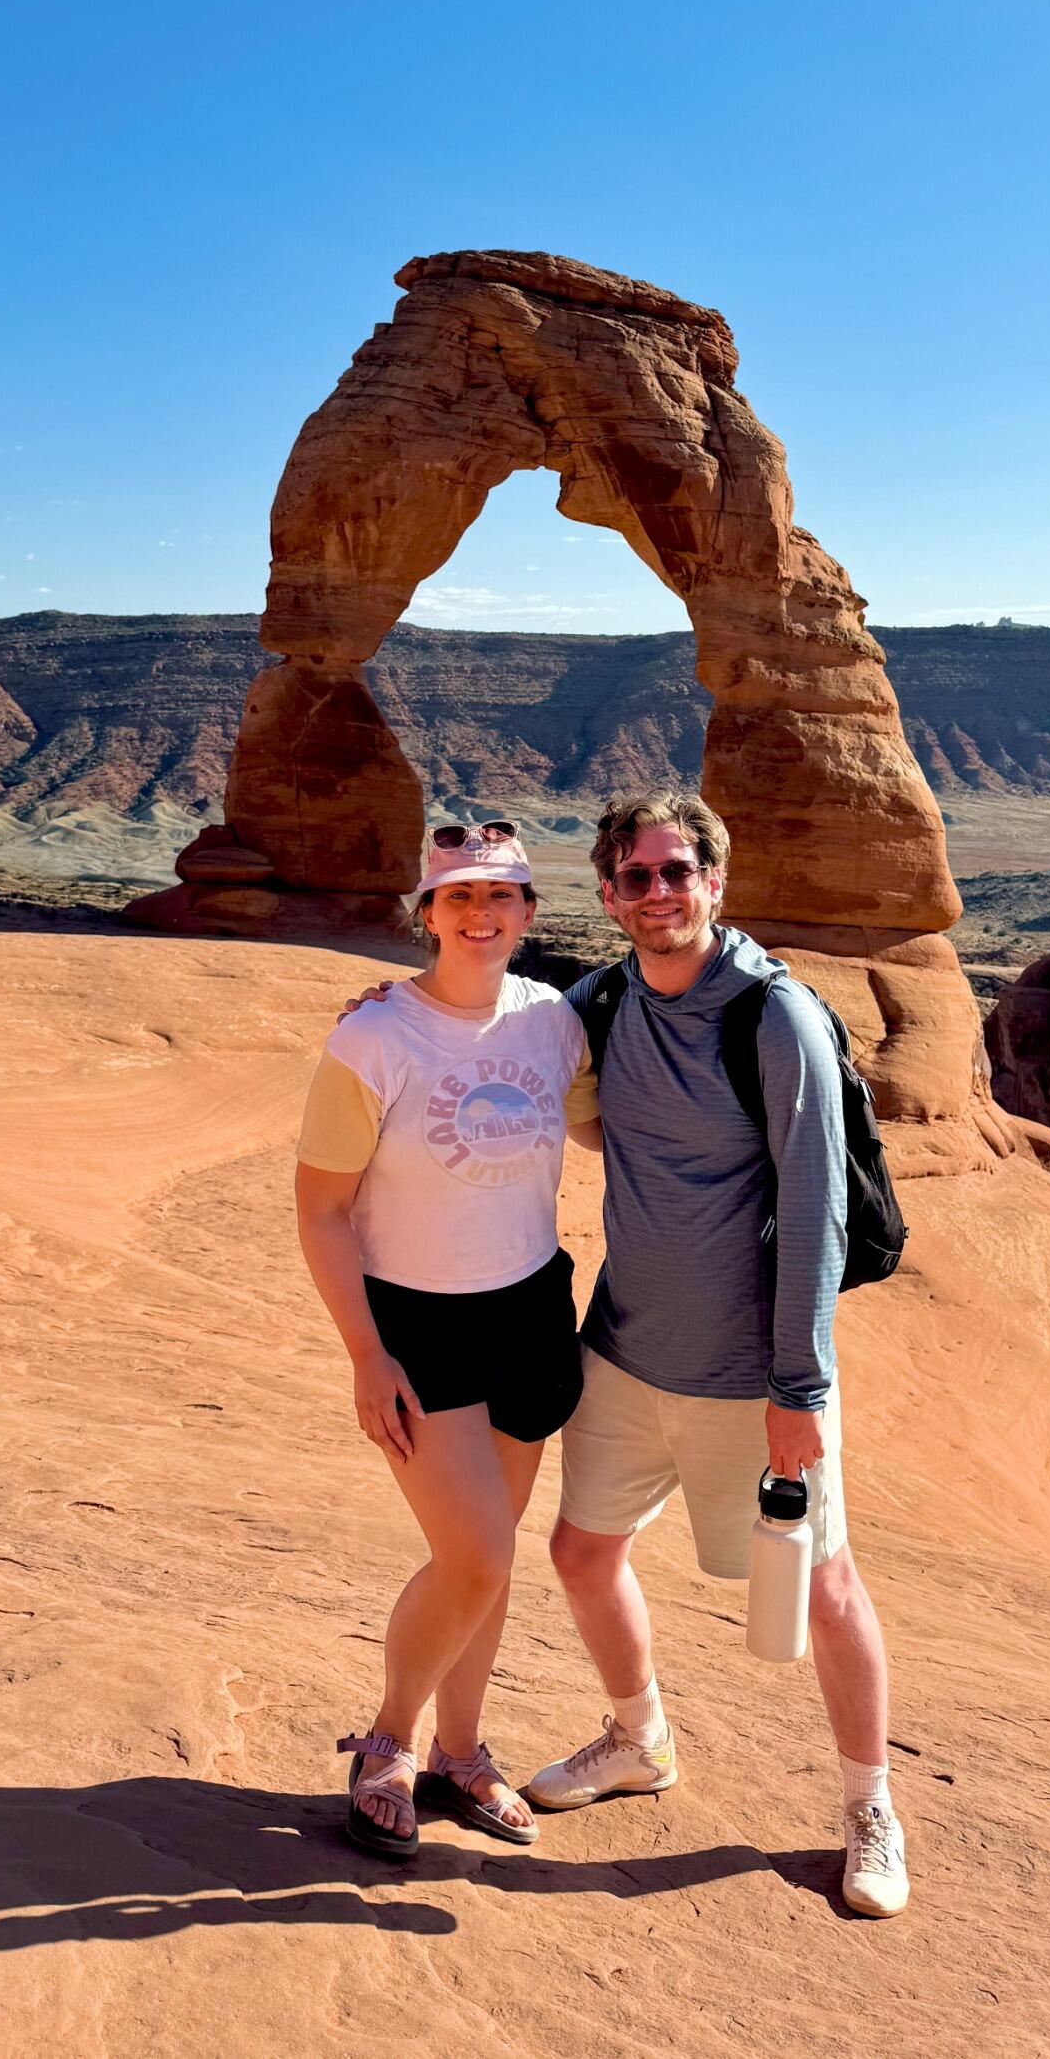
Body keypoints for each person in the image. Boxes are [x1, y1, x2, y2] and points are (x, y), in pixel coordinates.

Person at [525, 790, 909, 1919]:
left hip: (755, 1380)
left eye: (677, 871)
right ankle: (639, 1739)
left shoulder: (773, 1018)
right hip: (626, 1355)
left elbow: (820, 1211)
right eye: (636, 877)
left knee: (826, 1590)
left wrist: (800, 1385)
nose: (658, 893)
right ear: (608, 895)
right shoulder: (600, 1002)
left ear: (716, 881)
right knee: (583, 1553)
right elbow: (481, 1027)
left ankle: (869, 1807)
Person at [294, 818, 599, 1859]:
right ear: (425, 913)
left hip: (529, 1307)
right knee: (474, 1554)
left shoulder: (554, 1023)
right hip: (418, 1323)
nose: (480, 914)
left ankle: (462, 1754)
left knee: (494, 1560)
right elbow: (322, 1210)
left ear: (526, 912)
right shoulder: (373, 1037)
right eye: (458, 897)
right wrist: (365, 1354)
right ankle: (390, 1738)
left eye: (500, 896)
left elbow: (610, 1117)